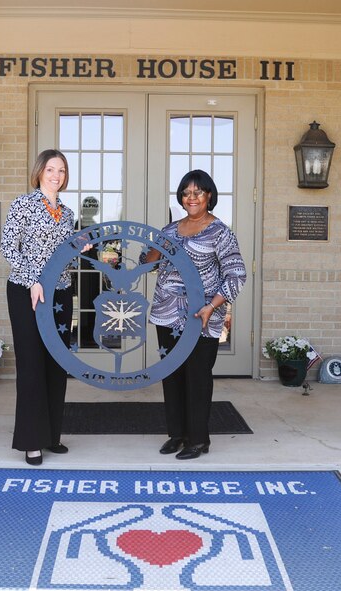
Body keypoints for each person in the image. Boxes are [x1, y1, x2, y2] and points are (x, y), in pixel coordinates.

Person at [143, 169, 247, 460]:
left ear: (209, 196)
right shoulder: (169, 230)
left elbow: (236, 275)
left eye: (197, 193)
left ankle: (198, 439)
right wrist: (153, 249)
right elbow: (148, 263)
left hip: (201, 316)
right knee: (171, 375)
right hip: (166, 313)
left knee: (197, 377)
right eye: (186, 193)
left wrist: (212, 306)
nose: (191, 198)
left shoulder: (220, 232)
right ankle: (176, 434)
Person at [0, 149, 77, 466]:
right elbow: (8, 246)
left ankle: (51, 435)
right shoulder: (23, 204)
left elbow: (66, 255)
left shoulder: (68, 213)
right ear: (39, 172)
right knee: (32, 365)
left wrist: (79, 250)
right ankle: (32, 441)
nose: (56, 175)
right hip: (25, 290)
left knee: (56, 365)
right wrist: (33, 280)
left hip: (60, 292)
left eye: (61, 170)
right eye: (50, 169)